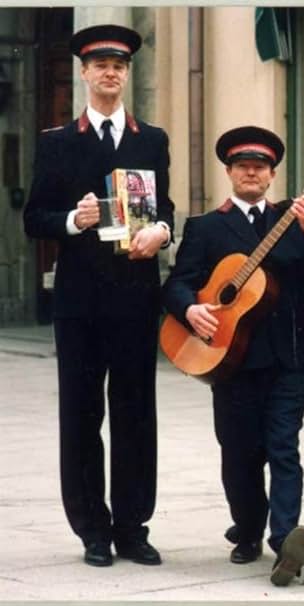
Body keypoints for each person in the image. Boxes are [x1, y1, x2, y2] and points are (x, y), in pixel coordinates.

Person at [23, 24, 174, 568]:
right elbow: (34, 218)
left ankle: (133, 526)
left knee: (136, 412)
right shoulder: (57, 143)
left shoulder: (150, 139)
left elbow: (165, 209)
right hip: (81, 301)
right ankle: (92, 528)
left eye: (120, 65)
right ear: (84, 73)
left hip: (136, 296)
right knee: (82, 415)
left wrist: (162, 232)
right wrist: (72, 218)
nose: (111, 72)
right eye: (100, 64)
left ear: (127, 74)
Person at [163, 126, 304, 586]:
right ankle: (248, 528)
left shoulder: (294, 220)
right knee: (239, 453)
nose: (252, 172)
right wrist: (190, 307)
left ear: (273, 174)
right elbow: (177, 283)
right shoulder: (205, 227)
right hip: (229, 357)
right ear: (230, 172)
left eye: (260, 166)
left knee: (284, 447)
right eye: (243, 165)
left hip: (289, 356)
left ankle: (285, 542)